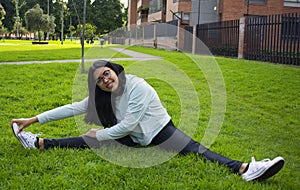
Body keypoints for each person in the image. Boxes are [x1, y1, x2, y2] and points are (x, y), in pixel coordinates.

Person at [11, 60, 284, 182]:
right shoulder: (102, 97)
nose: (106, 80)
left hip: (159, 131)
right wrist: (33, 119)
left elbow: (129, 124)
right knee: (90, 141)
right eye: (100, 80)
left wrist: (101, 135)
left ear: (115, 70)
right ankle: (39, 143)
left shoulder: (138, 87)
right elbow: (71, 108)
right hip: (132, 138)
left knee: (195, 149)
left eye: (107, 73)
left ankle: (246, 169)